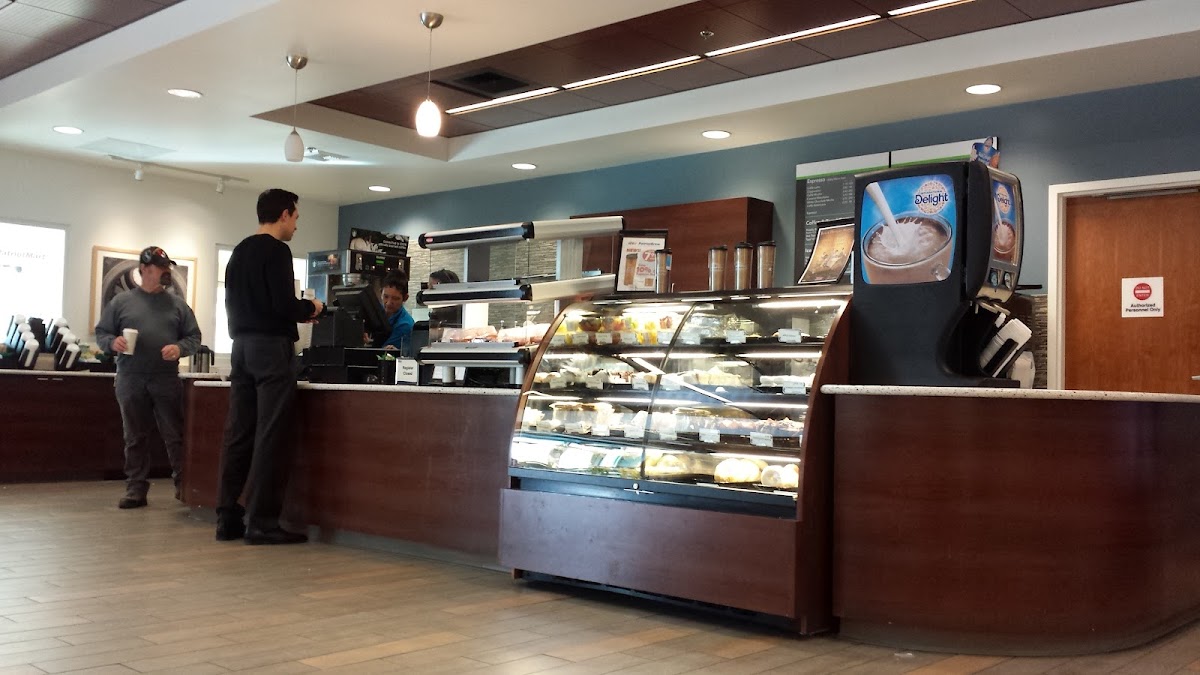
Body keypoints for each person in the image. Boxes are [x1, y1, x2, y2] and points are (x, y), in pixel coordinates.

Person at [216, 188, 323, 545]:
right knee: (270, 434)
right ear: (284, 214)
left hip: (241, 348)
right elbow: (283, 305)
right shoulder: (277, 251)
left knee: (239, 432)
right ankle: (261, 522)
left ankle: (227, 517)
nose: (296, 225)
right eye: (296, 217)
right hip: (271, 350)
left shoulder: (239, 251)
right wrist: (312, 308)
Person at [94, 246, 201, 509]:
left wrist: (179, 348)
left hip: (166, 378)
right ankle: (135, 489)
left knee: (174, 435)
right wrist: (113, 343)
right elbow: (102, 333)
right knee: (134, 437)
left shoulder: (178, 305)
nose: (165, 272)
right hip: (130, 377)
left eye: (167, 267)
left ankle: (184, 486)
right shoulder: (121, 302)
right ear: (143, 269)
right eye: (159, 268)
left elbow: (194, 337)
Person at [370, 272, 414, 353]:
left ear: (405, 298)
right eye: (386, 297)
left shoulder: (405, 325)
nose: (389, 303)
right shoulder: (374, 312)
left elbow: (381, 353)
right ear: (380, 293)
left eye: (395, 298)